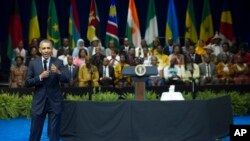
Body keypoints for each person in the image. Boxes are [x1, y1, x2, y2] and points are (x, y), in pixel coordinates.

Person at [25, 39, 69, 141]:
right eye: (43, 48)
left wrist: (58, 72)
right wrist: (40, 77)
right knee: (35, 131)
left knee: (54, 132)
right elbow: (27, 83)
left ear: (52, 49)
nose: (46, 50)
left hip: (55, 102)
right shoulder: (33, 63)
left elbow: (67, 78)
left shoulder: (59, 62)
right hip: (39, 102)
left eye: (48, 48)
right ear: (40, 50)